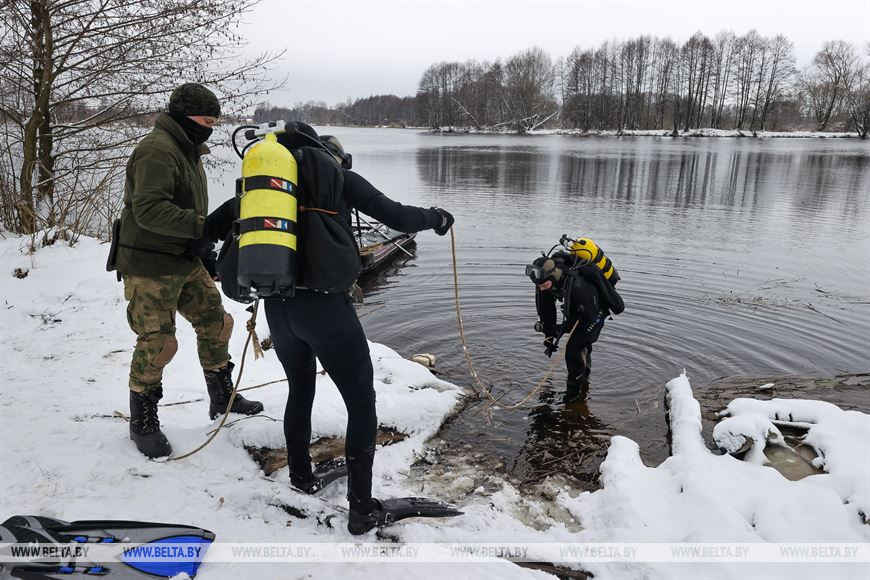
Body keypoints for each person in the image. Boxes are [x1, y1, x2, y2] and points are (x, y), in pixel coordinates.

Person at [208, 123, 455, 534]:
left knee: (300, 389)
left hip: (279, 308)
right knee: (361, 402)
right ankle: (362, 510)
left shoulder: (263, 188)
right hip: (325, 310)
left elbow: (209, 229)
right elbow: (398, 216)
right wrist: (438, 217)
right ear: (333, 158)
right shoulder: (339, 178)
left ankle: (301, 476)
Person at [114, 83, 263, 459]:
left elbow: (181, 209)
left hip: (183, 257)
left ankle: (221, 397)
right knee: (159, 343)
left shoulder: (187, 148)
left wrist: (203, 248)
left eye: (214, 122)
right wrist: (205, 227)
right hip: (149, 263)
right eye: (205, 121)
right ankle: (142, 421)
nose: (210, 128)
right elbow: (148, 210)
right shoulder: (157, 150)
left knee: (217, 323)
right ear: (183, 116)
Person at [526, 240, 623, 403]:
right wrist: (548, 335)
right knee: (579, 345)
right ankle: (584, 382)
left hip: (594, 310)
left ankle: (573, 396)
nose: (542, 289)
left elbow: (584, 321)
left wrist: (557, 329)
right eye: (539, 286)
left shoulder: (579, 286)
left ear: (553, 275)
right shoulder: (544, 281)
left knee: (574, 347)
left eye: (544, 285)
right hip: (578, 306)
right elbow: (546, 309)